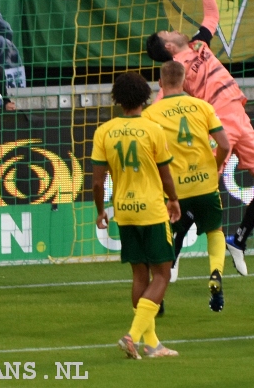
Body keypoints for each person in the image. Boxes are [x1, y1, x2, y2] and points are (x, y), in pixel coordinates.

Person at [146, 0, 254, 275]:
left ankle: (239, 239)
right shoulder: (174, 68)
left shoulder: (198, 44)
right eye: (169, 30)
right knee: (201, 195)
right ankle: (172, 254)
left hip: (241, 117)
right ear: (168, 45)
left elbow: (212, 16)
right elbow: (163, 100)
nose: (175, 28)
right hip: (218, 122)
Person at [91, 72, 182, 360]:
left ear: (116, 99)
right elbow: (165, 174)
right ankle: (132, 335)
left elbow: (96, 182)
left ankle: (152, 344)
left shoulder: (104, 131)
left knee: (139, 275)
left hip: (124, 211)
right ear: (145, 97)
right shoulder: (153, 129)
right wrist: (174, 200)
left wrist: (100, 210)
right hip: (152, 210)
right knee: (163, 274)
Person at [143, 60, 231, 312]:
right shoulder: (202, 106)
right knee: (215, 230)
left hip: (174, 191)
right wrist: (214, 166)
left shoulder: (151, 114)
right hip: (205, 184)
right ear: (184, 81)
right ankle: (215, 272)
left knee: (166, 243)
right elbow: (224, 144)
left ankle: (157, 297)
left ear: (160, 83)